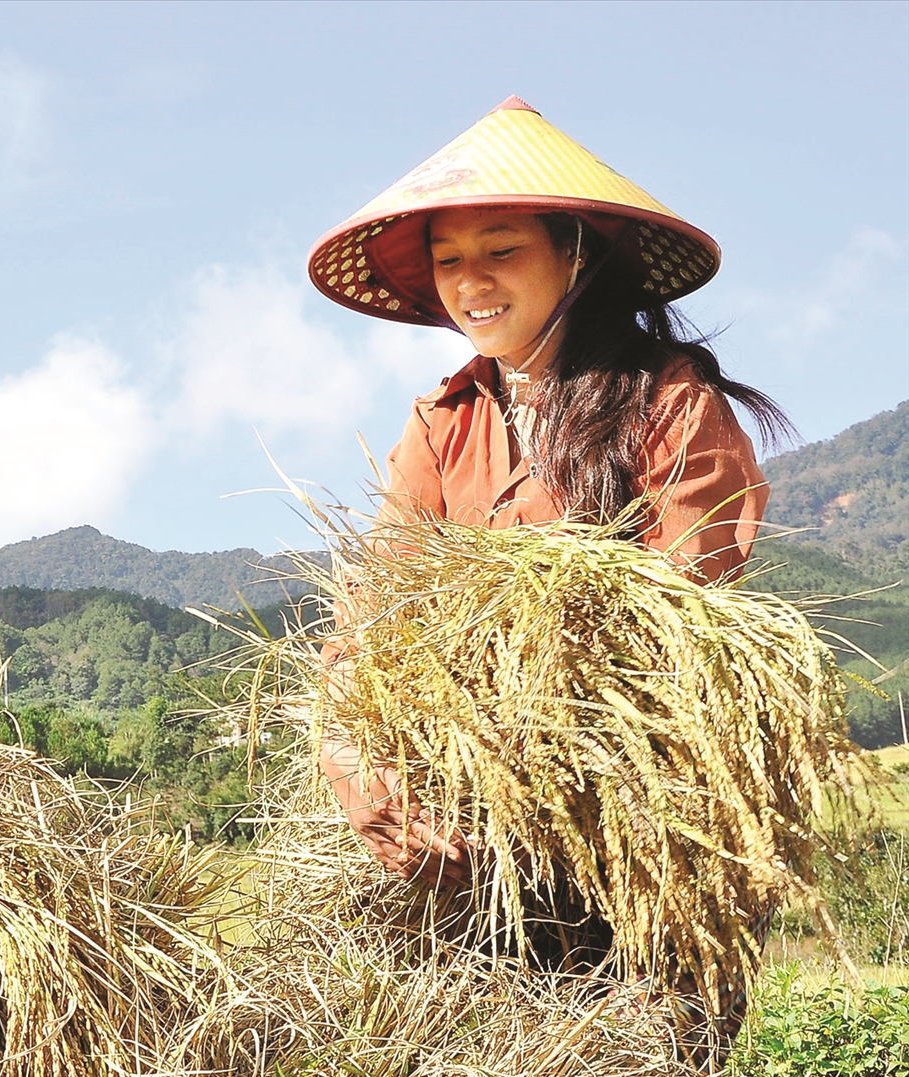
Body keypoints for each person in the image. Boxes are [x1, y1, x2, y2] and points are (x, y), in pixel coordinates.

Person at [306, 98, 791, 975]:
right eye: (447, 261)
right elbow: (375, 610)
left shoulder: (670, 402)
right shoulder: (442, 423)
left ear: (576, 253)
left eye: (501, 250)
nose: (470, 282)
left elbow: (685, 598)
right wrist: (350, 757)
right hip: (472, 845)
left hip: (640, 828)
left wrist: (538, 735)